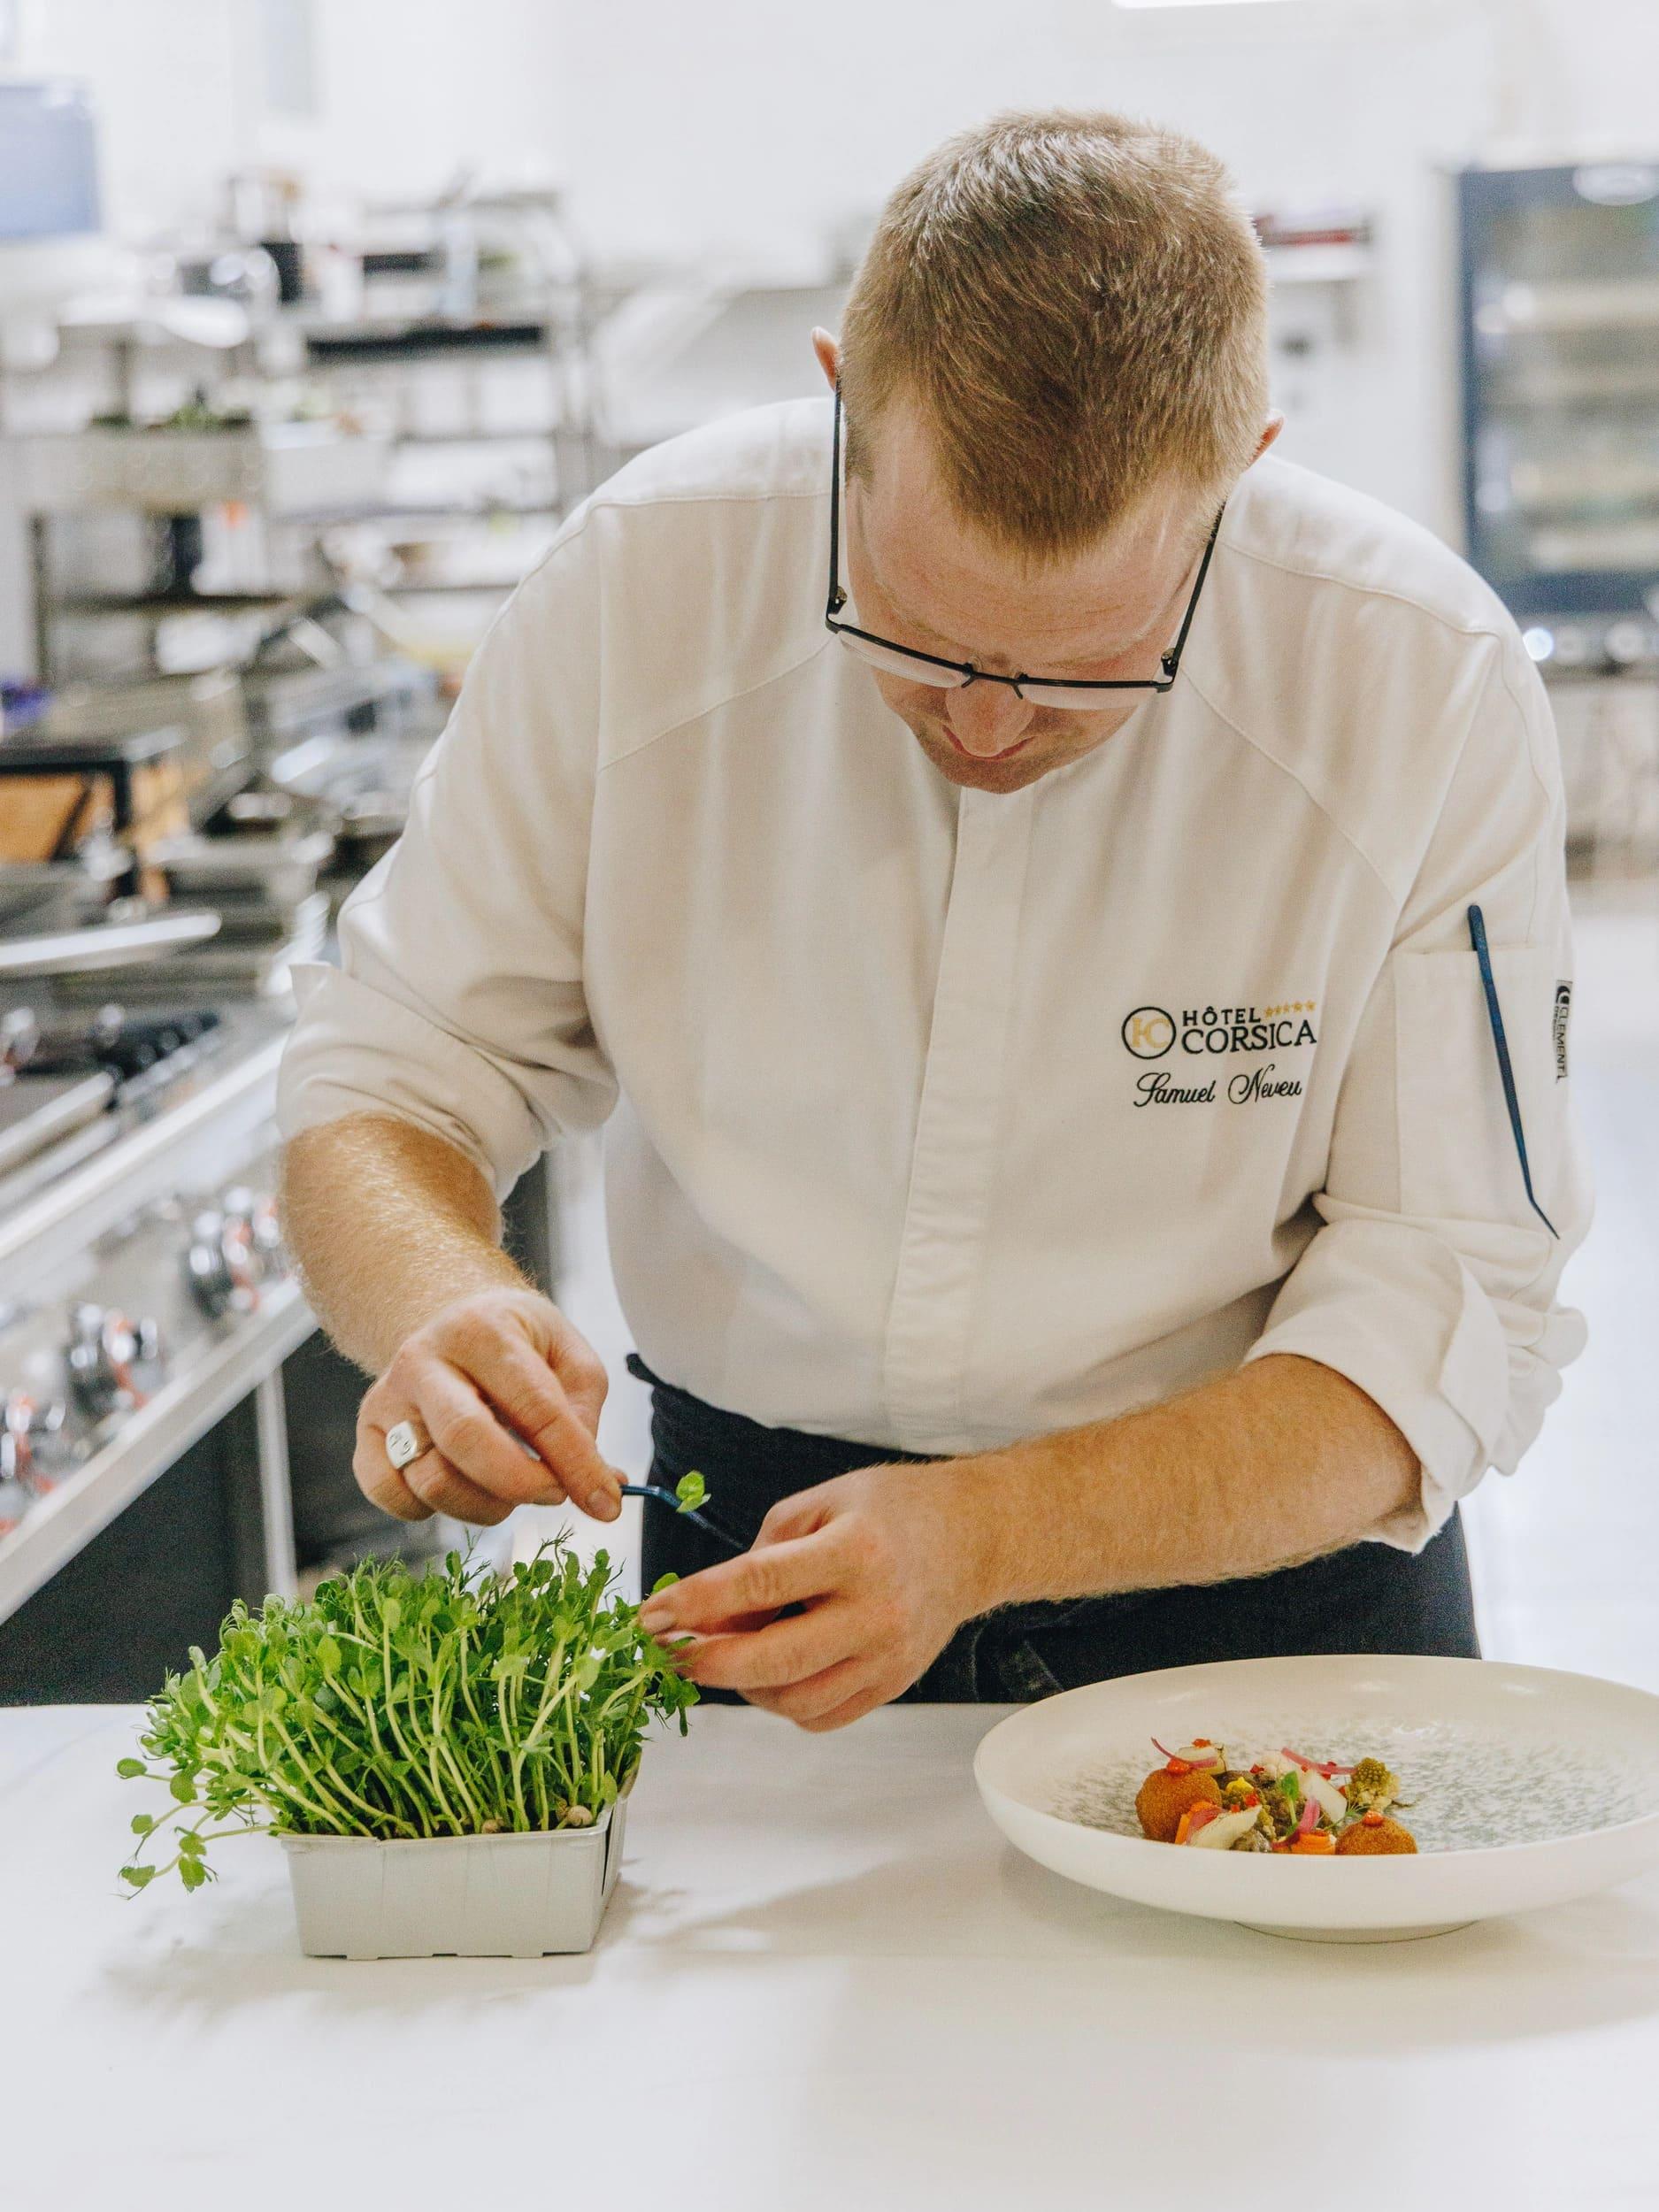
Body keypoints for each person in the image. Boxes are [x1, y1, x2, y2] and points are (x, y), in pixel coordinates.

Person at [277, 110, 1589, 1731]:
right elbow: (400, 1070)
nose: (982, 731)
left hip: (1271, 1587)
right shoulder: (639, 584)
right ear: (843, 408)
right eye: (911, 633)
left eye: (1083, 668)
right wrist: (436, 1301)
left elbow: (1447, 1296)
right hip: (749, 1557)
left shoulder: (1414, 676)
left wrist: (996, 1535)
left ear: (1235, 478)